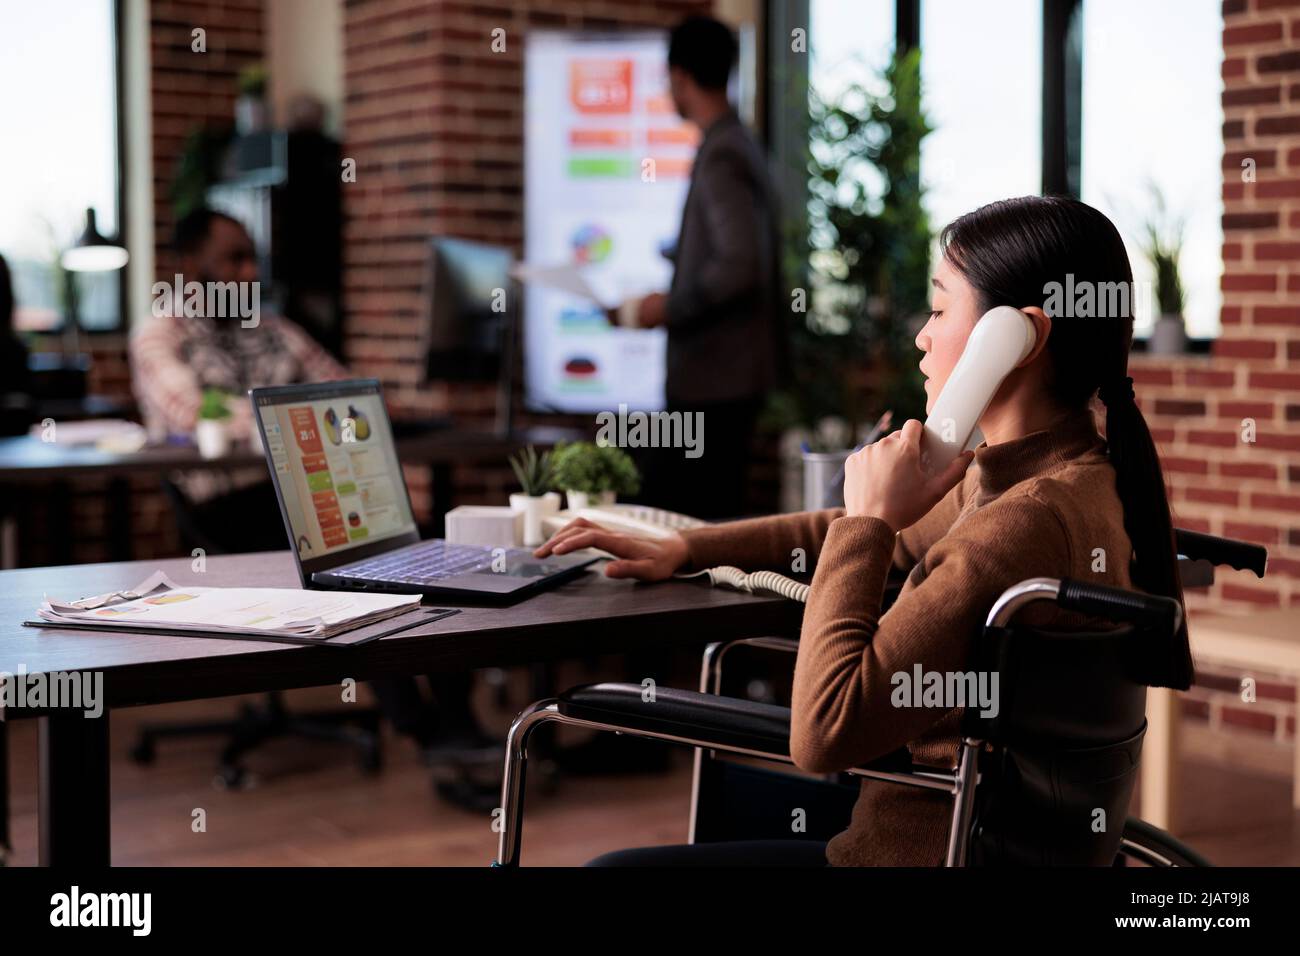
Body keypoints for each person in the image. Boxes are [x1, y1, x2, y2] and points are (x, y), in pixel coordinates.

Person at [536, 196, 1190, 866]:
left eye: (938, 308)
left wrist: (872, 518)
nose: (921, 336)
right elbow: (842, 531)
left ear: (1016, 338)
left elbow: (824, 734)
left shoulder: (1021, 523)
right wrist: (686, 547)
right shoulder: (1071, 482)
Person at [130, 208, 493, 774]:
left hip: (305, 486)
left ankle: (454, 717)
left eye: (252, 257)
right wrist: (286, 421)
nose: (248, 271)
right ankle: (423, 730)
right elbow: (187, 411)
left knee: (418, 543)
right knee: (353, 557)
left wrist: (315, 419)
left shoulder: (275, 328)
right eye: (232, 259)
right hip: (227, 507)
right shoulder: (162, 333)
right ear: (187, 265)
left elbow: (344, 395)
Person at [625, 15, 782, 519]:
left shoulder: (721, 154)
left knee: (688, 526)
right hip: (730, 381)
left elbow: (739, 266)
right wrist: (680, 257)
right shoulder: (739, 142)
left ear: (680, 77)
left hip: (714, 384)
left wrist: (666, 307)